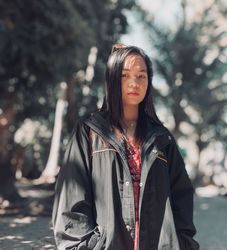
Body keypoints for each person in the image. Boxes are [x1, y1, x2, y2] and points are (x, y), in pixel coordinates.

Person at [52, 44, 199, 250]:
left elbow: (181, 199)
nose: (134, 83)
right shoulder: (89, 132)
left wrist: (182, 244)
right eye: (124, 75)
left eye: (141, 76)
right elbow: (71, 201)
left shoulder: (162, 139)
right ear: (112, 79)